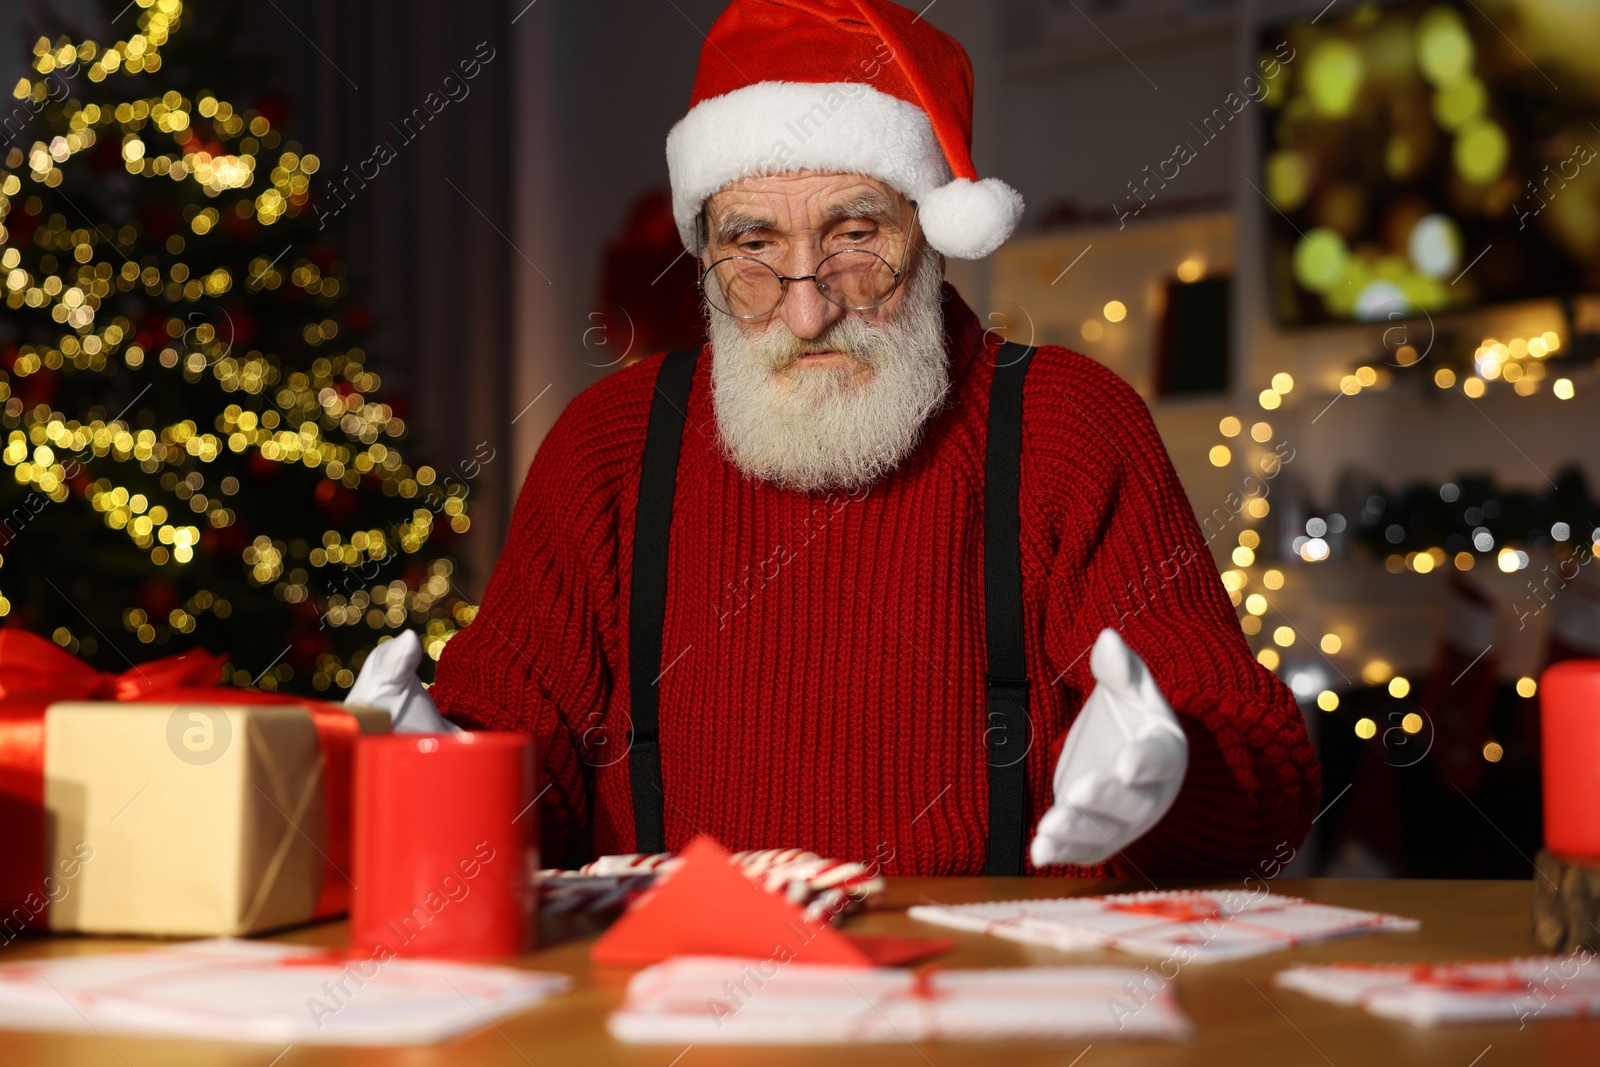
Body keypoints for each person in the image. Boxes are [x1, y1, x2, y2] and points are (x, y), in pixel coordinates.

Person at [349, 0, 1319, 876]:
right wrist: (435, 765)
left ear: (931, 234)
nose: (807, 310)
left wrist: (1180, 771)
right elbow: (528, 788)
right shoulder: (609, 445)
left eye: (857, 237)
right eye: (753, 247)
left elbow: (1267, 775)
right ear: (704, 255)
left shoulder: (1070, 426)